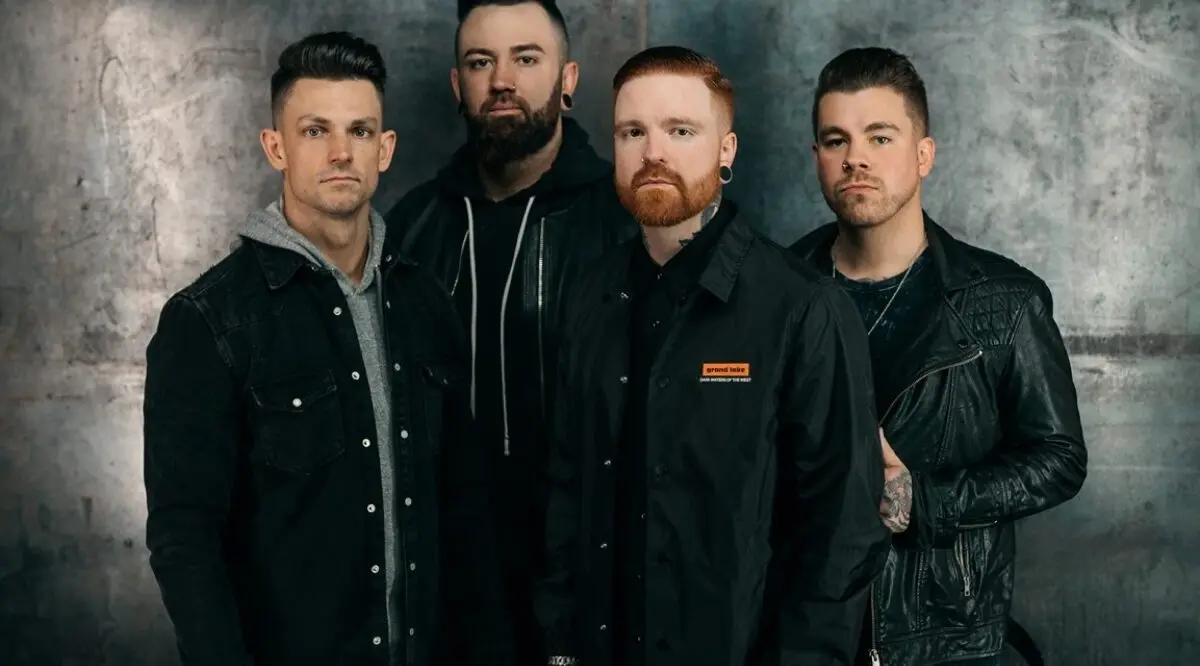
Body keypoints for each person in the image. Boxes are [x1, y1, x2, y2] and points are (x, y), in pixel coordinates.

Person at [142, 31, 507, 666]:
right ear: (275, 147)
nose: (341, 152)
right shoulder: (207, 321)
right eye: (315, 131)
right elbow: (185, 542)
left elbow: (465, 511)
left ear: (384, 149)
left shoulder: (425, 303)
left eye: (360, 131)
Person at [534, 45, 892, 666]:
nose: (653, 152)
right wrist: (560, 648)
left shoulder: (803, 309)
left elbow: (842, 536)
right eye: (632, 132)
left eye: (680, 131)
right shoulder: (589, 296)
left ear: (726, 150)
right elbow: (567, 495)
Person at [791, 46, 1088, 665]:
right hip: (804, 632)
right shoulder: (776, 291)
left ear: (923, 155)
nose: (856, 158)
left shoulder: (1003, 300)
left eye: (880, 137)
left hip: (942, 638)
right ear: (817, 156)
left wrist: (921, 500)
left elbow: (1059, 459)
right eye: (836, 140)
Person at [384, 2, 636, 663]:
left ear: (567, 79)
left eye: (526, 59)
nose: (502, 80)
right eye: (480, 62)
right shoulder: (411, 228)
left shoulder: (625, 223)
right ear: (457, 85)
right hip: (446, 593)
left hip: (590, 583)